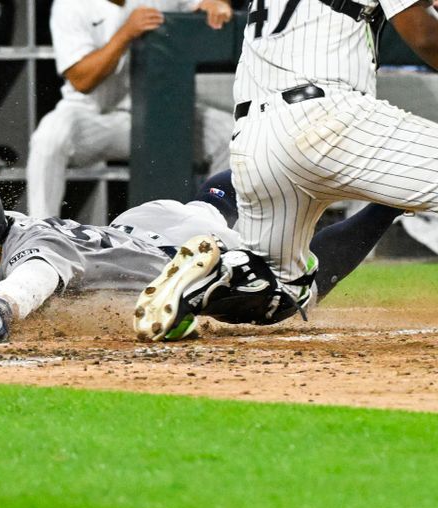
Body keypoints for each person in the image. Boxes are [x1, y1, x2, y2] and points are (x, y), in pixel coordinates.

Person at [135, 0, 438, 341]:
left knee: (279, 289)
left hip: (256, 139)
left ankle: (208, 279)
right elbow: (425, 35)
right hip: (330, 118)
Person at [0, 170, 402, 344]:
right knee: (211, 202)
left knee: (285, 296)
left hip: (166, 253)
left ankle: (387, 205)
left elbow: (3, 307)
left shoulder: (30, 256)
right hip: (139, 232)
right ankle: (242, 178)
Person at [25, 0, 235, 219]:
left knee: (228, 135)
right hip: (95, 116)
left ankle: (215, 230)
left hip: (161, 114)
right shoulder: (71, 5)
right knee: (49, 137)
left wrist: (218, 5)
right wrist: (125, 33)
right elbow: (81, 80)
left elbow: (207, 2)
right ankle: (40, 232)